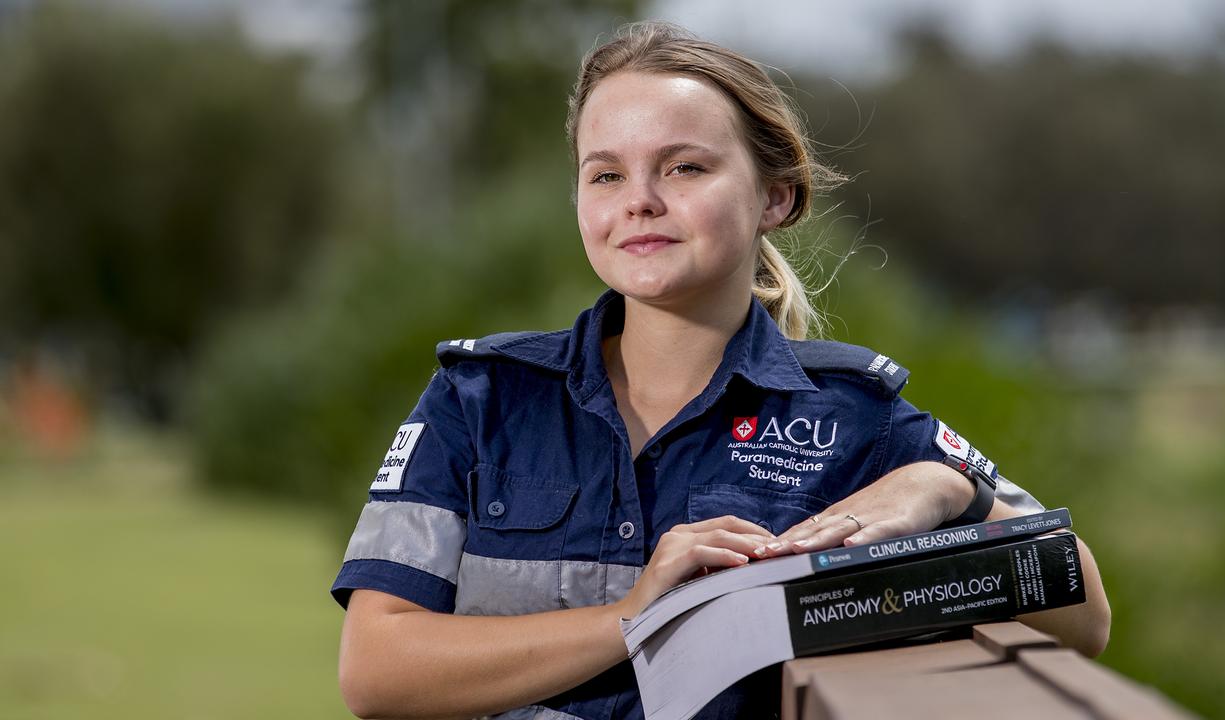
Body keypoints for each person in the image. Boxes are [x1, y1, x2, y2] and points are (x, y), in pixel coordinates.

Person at [332, 21, 1111, 720]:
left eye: (683, 168)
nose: (639, 201)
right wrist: (640, 615)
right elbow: (377, 672)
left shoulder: (852, 416)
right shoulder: (480, 399)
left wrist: (944, 488)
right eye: (606, 174)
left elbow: (1084, 611)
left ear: (775, 196)